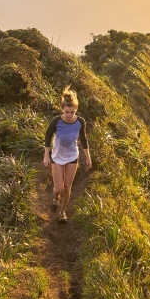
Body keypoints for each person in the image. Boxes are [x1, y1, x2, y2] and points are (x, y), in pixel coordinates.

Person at [43, 86, 91, 222]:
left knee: (67, 186)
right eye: (66, 112)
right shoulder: (56, 121)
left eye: (72, 112)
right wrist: (46, 156)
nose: (69, 115)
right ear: (62, 110)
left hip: (72, 156)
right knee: (58, 188)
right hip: (57, 156)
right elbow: (47, 137)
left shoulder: (80, 122)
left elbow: (83, 139)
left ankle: (62, 212)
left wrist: (88, 157)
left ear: (75, 110)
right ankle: (55, 199)